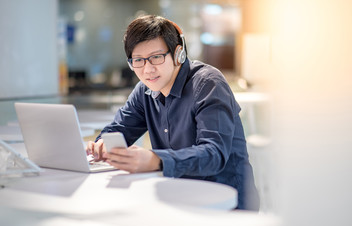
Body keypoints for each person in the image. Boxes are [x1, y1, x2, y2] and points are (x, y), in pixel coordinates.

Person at [86, 15, 260, 211]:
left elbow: (214, 153)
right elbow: (119, 129)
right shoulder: (144, 91)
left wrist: (155, 160)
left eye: (156, 57)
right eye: (138, 60)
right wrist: (102, 145)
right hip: (179, 200)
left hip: (228, 206)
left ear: (179, 54)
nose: (147, 69)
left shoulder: (208, 83)